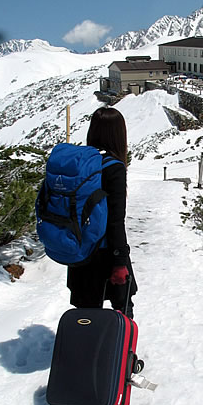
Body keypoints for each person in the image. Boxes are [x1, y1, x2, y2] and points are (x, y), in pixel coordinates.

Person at [67, 107, 137, 318]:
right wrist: (119, 261)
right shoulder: (113, 167)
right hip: (106, 252)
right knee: (123, 310)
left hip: (80, 250)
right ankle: (121, 352)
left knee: (85, 314)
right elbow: (115, 221)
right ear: (118, 135)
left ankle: (82, 350)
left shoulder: (80, 163)